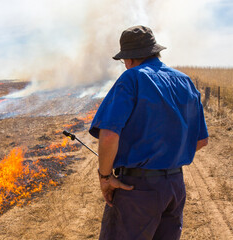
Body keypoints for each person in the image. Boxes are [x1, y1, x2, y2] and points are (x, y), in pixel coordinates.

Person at [89, 25, 209, 240]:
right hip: (175, 187)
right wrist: (167, 156)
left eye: (124, 60)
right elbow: (201, 141)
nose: (125, 65)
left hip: (136, 189)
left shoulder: (132, 78)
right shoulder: (185, 81)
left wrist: (105, 177)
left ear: (130, 58)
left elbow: (108, 136)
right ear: (155, 52)